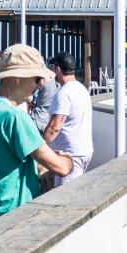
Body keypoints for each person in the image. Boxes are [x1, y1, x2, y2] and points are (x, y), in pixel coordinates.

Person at [0, 45, 73, 226]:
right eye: (37, 78)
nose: (40, 84)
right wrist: (67, 159)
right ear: (18, 78)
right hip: (12, 218)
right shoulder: (14, 117)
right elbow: (61, 168)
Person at [43, 53, 93, 186]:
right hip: (83, 150)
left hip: (70, 155)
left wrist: (41, 147)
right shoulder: (81, 89)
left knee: (65, 199)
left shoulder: (64, 93)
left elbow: (55, 126)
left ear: (57, 70)